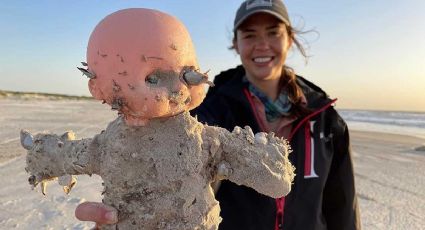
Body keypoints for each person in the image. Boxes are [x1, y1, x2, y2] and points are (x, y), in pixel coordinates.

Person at [75, 0, 361, 229]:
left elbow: (342, 205)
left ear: (289, 39)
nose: (262, 44)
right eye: (250, 35)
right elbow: (178, 185)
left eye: (273, 32)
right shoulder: (206, 111)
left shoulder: (326, 120)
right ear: (236, 44)